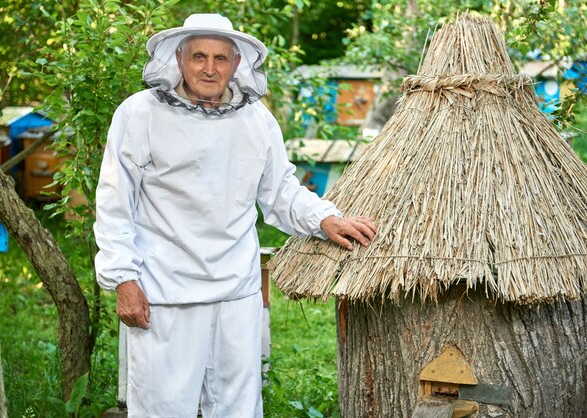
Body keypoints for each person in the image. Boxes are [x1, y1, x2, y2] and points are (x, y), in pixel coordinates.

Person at [94, 13, 376, 418]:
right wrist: (123, 278)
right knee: (162, 408)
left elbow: (280, 191)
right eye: (199, 57)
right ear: (179, 58)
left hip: (237, 292)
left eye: (220, 59)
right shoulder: (139, 115)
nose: (210, 69)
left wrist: (325, 219)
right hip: (165, 291)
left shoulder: (256, 119)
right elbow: (114, 201)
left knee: (239, 407)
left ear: (237, 63)